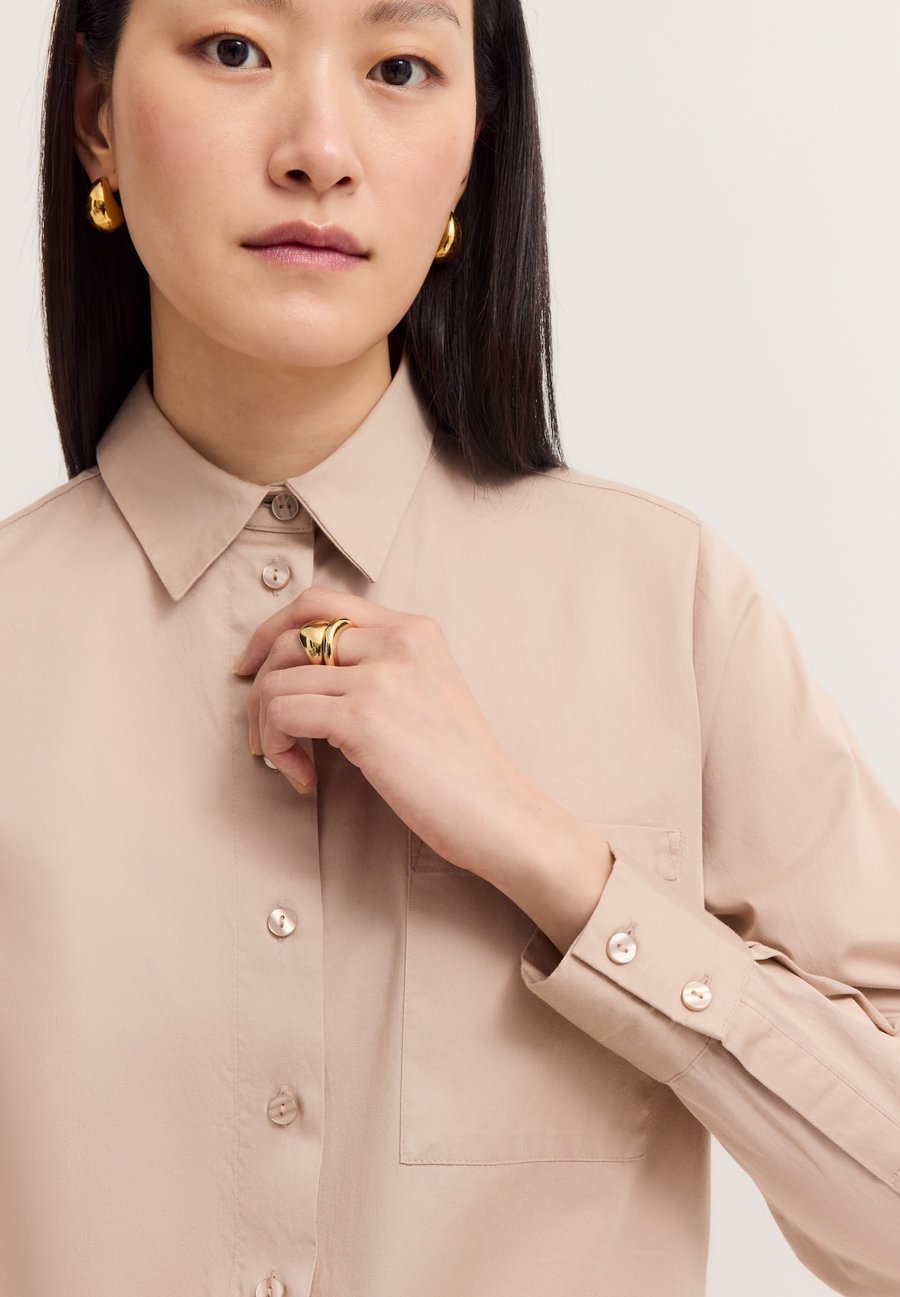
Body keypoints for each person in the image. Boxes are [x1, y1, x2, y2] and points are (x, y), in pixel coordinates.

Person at [0, 0, 897, 1293]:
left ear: (476, 146)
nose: (320, 150)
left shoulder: (668, 603)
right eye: (235, 49)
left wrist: (563, 870)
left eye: (400, 66)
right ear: (95, 119)